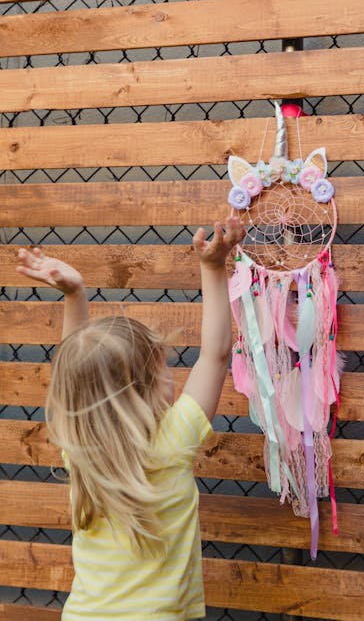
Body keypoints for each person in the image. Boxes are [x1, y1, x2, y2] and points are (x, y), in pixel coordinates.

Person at [16, 217, 245, 621]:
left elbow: (79, 377)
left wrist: (75, 297)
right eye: (163, 369)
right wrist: (213, 268)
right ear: (141, 390)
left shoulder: (81, 451)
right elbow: (216, 353)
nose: (171, 376)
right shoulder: (173, 441)